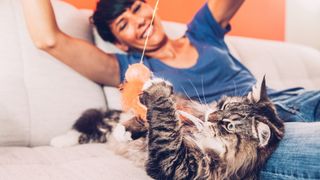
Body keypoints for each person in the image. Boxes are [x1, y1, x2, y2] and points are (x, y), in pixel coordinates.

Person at [22, 0, 320, 179]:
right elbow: (49, 39)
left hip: (278, 99)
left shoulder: (202, 31)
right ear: (122, 43)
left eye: (138, 8)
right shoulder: (127, 66)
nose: (139, 21)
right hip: (240, 131)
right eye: (124, 24)